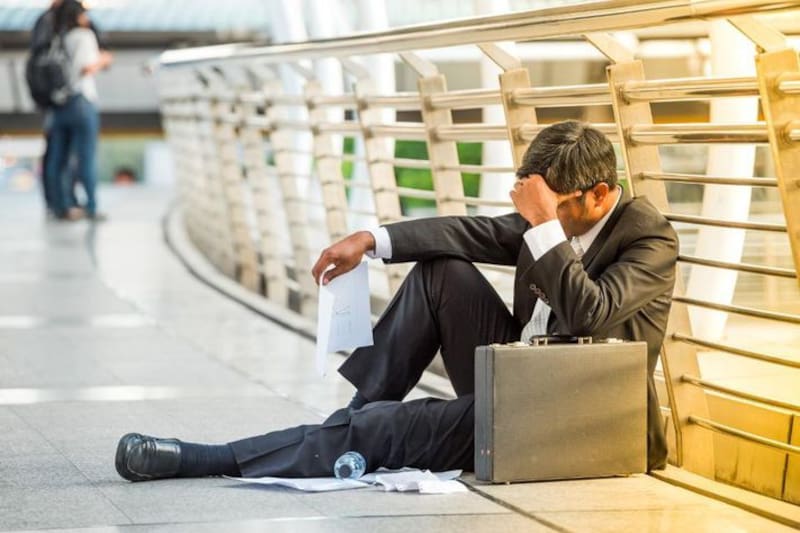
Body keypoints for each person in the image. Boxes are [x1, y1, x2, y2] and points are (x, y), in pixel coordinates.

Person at [115, 121, 677, 481]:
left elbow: (591, 312)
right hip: (517, 377)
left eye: (550, 208)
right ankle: (352, 416)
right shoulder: (559, 217)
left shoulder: (649, 238)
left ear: (600, 194)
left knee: (393, 431)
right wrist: (370, 240)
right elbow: (467, 233)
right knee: (442, 272)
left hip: (571, 418)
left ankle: (211, 458)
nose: (534, 219)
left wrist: (543, 223)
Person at [29, 0, 107, 217]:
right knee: (86, 156)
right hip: (81, 100)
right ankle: (91, 206)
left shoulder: (56, 37)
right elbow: (85, 67)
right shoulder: (83, 36)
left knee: (58, 158)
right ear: (78, 15)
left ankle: (60, 206)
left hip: (58, 104)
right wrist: (103, 60)